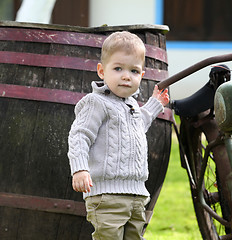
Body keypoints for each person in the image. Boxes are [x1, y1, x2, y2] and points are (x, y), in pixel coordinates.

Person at [67, 31, 169, 240]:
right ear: (102, 71)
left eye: (134, 71)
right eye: (118, 68)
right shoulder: (97, 102)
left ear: (142, 75)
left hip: (137, 195)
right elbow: (79, 135)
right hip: (107, 196)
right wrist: (79, 168)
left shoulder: (130, 103)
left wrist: (155, 103)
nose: (126, 76)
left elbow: (139, 124)